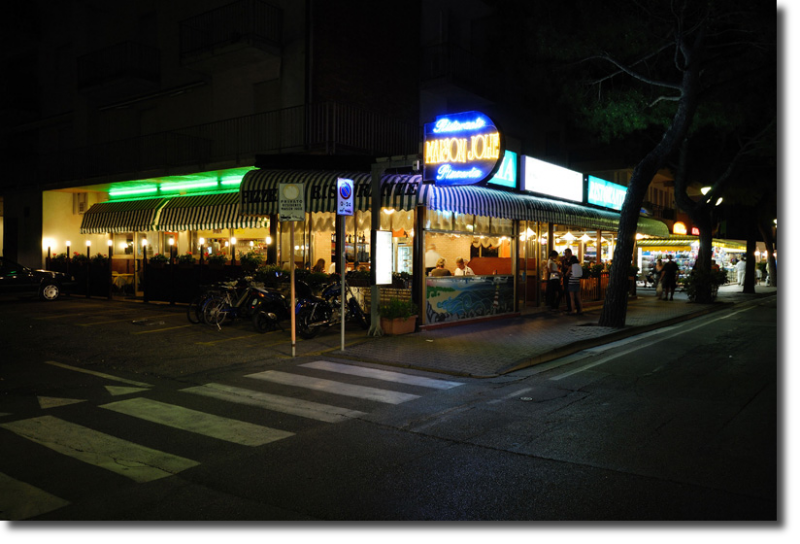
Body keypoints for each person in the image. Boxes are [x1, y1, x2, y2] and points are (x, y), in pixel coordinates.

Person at [560, 248, 573, 313]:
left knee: (572, 293)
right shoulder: (564, 261)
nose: (565, 254)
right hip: (565, 278)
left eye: (566, 253)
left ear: (570, 253)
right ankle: (569, 307)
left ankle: (572, 307)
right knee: (567, 292)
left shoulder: (573, 260)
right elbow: (562, 269)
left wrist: (568, 271)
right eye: (565, 253)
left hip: (571, 278)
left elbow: (572, 268)